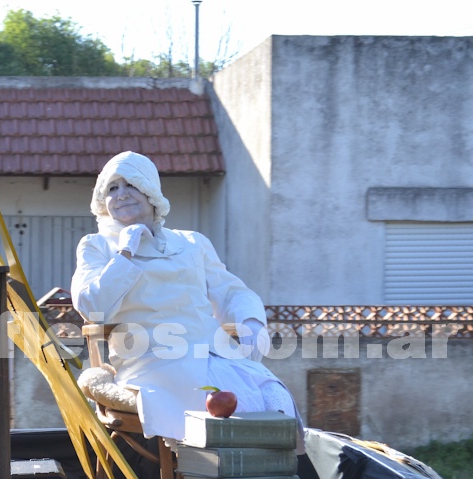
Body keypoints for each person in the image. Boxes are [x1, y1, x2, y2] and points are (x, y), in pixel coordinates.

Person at [71, 151, 302, 450]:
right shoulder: (98, 246)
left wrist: (252, 322)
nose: (121, 195)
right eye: (112, 188)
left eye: (130, 185)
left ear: (150, 190)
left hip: (215, 353)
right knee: (229, 414)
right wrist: (125, 252)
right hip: (153, 359)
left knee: (276, 399)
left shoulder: (192, 242)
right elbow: (91, 306)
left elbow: (232, 291)